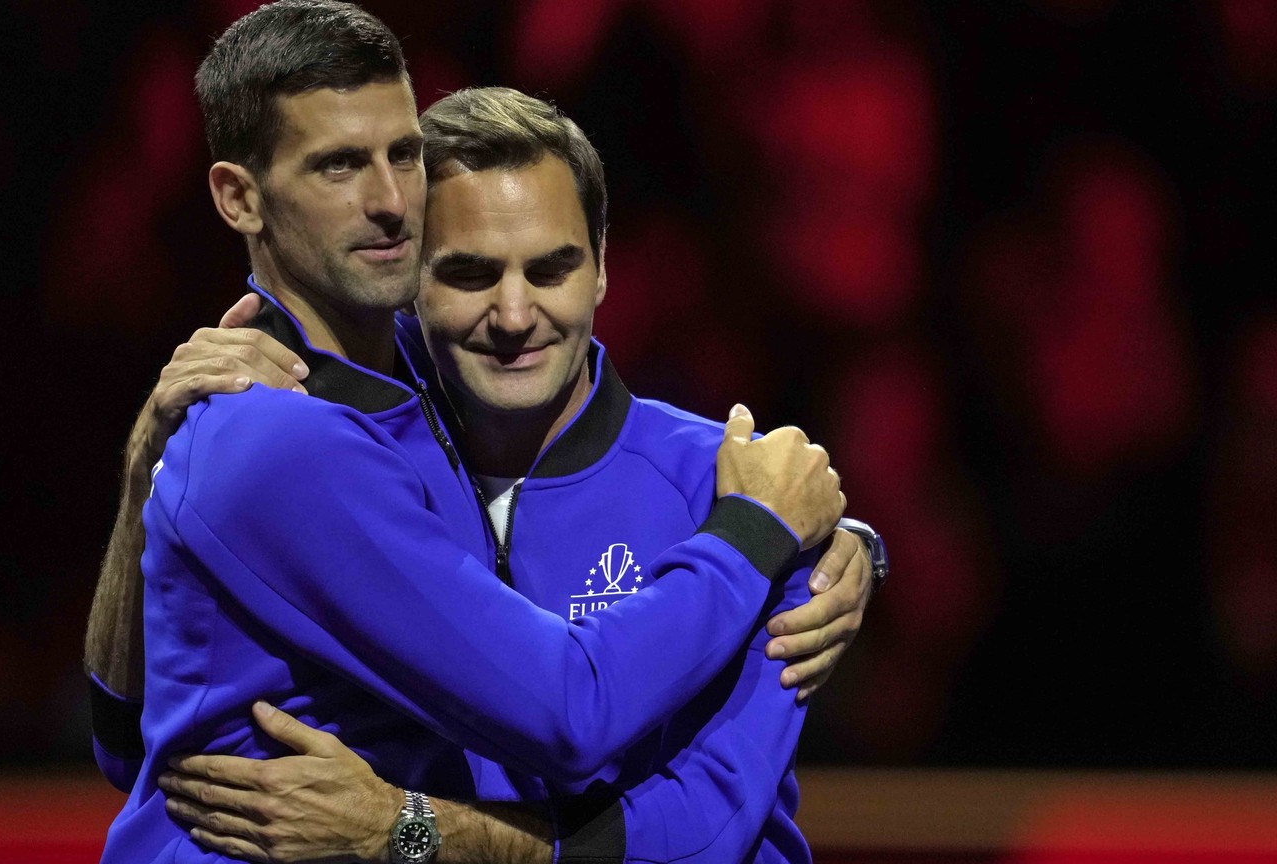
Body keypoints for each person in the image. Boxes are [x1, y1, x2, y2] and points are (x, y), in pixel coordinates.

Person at [88, 3, 865, 862]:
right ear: (239, 197)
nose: (388, 202)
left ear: (606, 264)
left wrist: (850, 542)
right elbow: (571, 711)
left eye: (403, 156)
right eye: (340, 166)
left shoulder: (718, 477)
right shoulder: (283, 440)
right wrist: (757, 538)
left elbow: (713, 828)